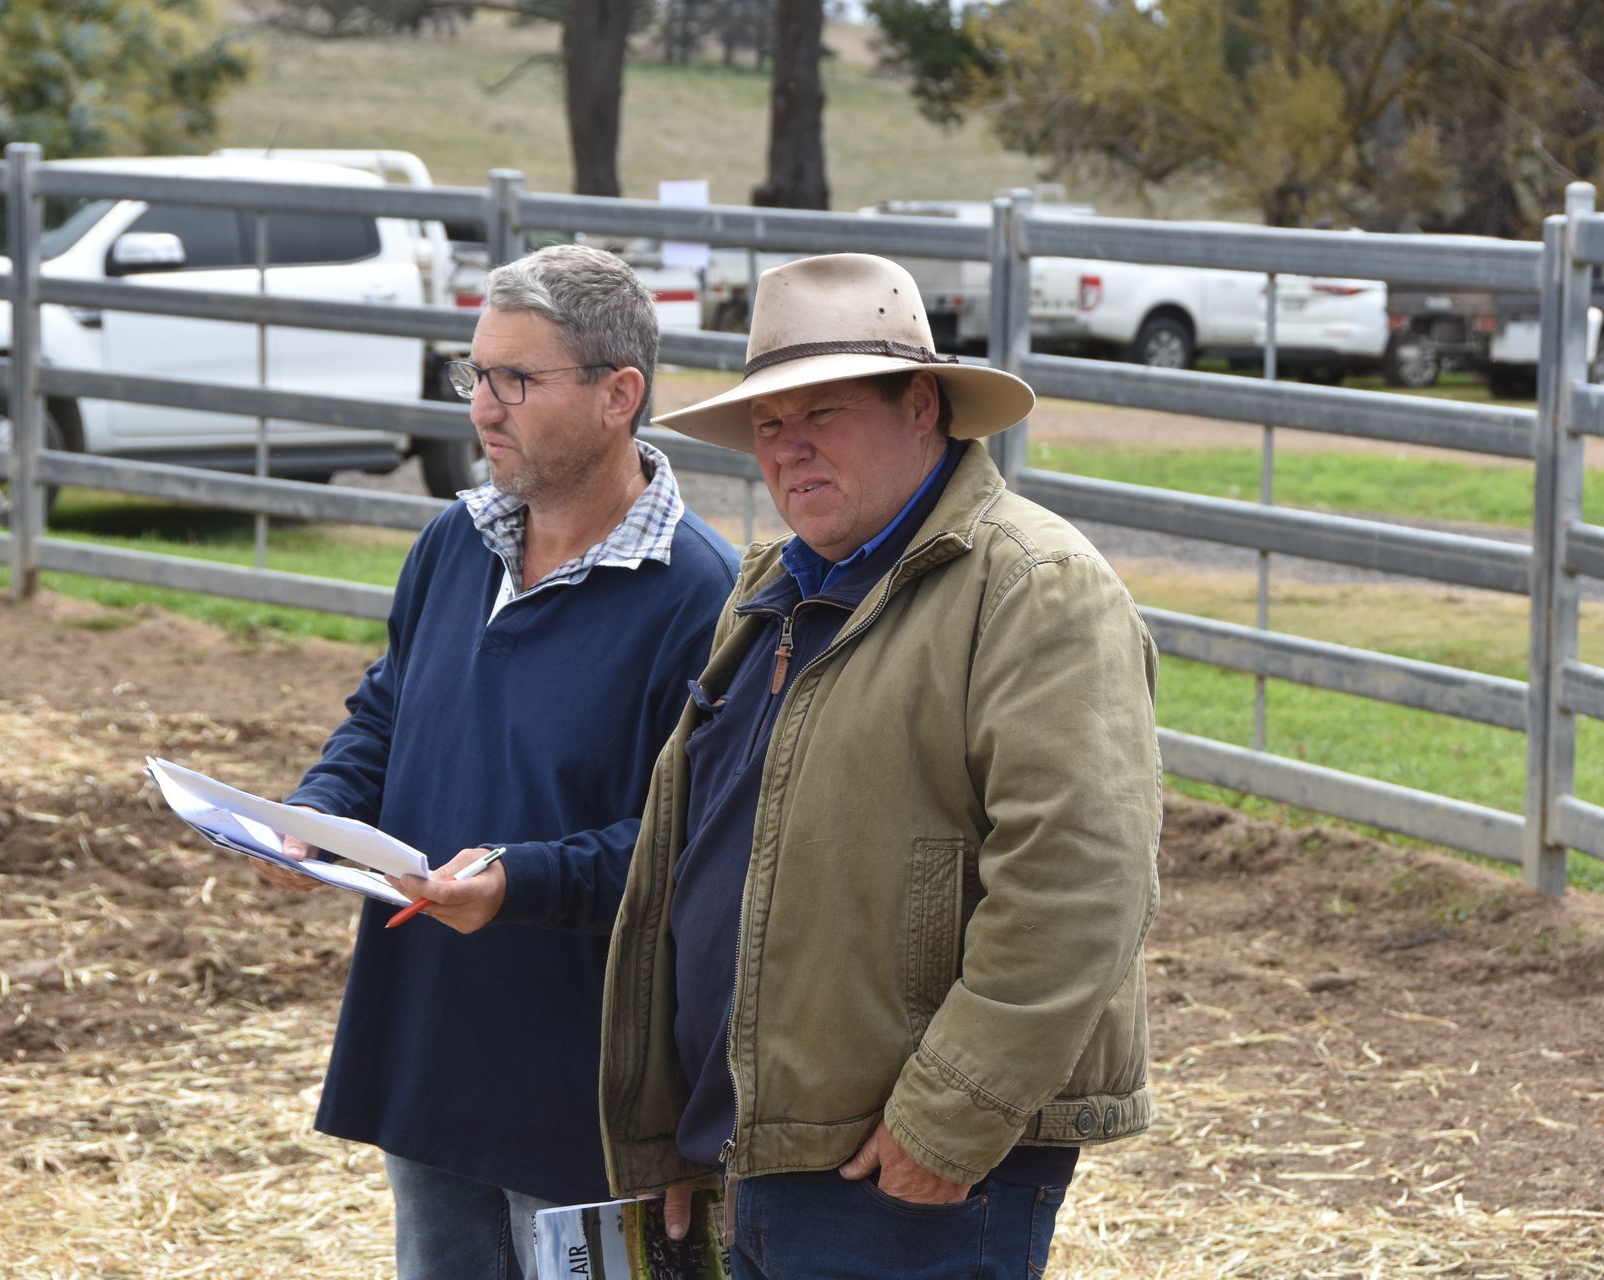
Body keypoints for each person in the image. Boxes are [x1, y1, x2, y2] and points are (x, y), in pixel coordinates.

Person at [597, 252, 1163, 1277]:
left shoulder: (1036, 587)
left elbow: (1079, 878)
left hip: (903, 1172)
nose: (790, 447)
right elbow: (711, 851)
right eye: (769, 424)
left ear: (922, 407)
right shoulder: (774, 586)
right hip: (764, 1148)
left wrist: (952, 1114)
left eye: (825, 412)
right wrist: (673, 1124)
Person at [257, 243, 738, 1279]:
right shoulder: (453, 543)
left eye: (516, 380)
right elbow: (388, 709)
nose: (482, 407)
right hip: (433, 1032)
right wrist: (320, 804)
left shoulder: (702, 598)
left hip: (590, 1082)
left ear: (621, 394)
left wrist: (523, 879)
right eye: (475, 374)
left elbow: (693, 849)